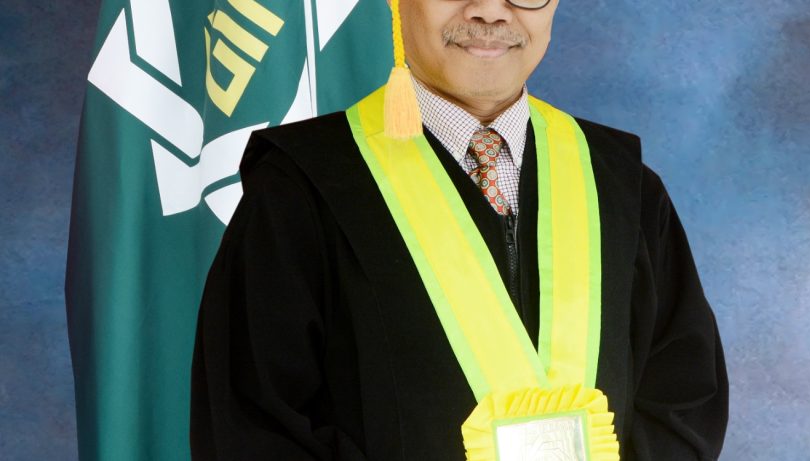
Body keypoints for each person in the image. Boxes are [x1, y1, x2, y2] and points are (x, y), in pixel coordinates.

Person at [190, 0, 729, 459]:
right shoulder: (300, 188)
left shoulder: (623, 184)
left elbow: (682, 401)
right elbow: (254, 424)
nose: (490, 11)